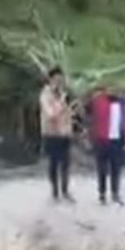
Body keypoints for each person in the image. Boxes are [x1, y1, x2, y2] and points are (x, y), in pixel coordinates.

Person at [39, 66, 75, 203]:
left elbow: (69, 113)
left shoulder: (63, 93)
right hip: (51, 133)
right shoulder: (45, 94)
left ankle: (65, 191)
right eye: (57, 78)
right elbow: (50, 114)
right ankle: (55, 192)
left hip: (65, 133)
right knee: (54, 163)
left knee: (66, 163)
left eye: (61, 78)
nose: (60, 81)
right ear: (51, 79)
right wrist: (61, 102)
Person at [88, 84, 125, 205]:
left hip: (116, 140)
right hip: (101, 139)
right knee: (102, 169)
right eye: (110, 88)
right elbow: (86, 109)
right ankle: (102, 193)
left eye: (115, 88)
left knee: (116, 169)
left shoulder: (122, 103)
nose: (113, 91)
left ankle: (115, 193)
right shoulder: (98, 101)